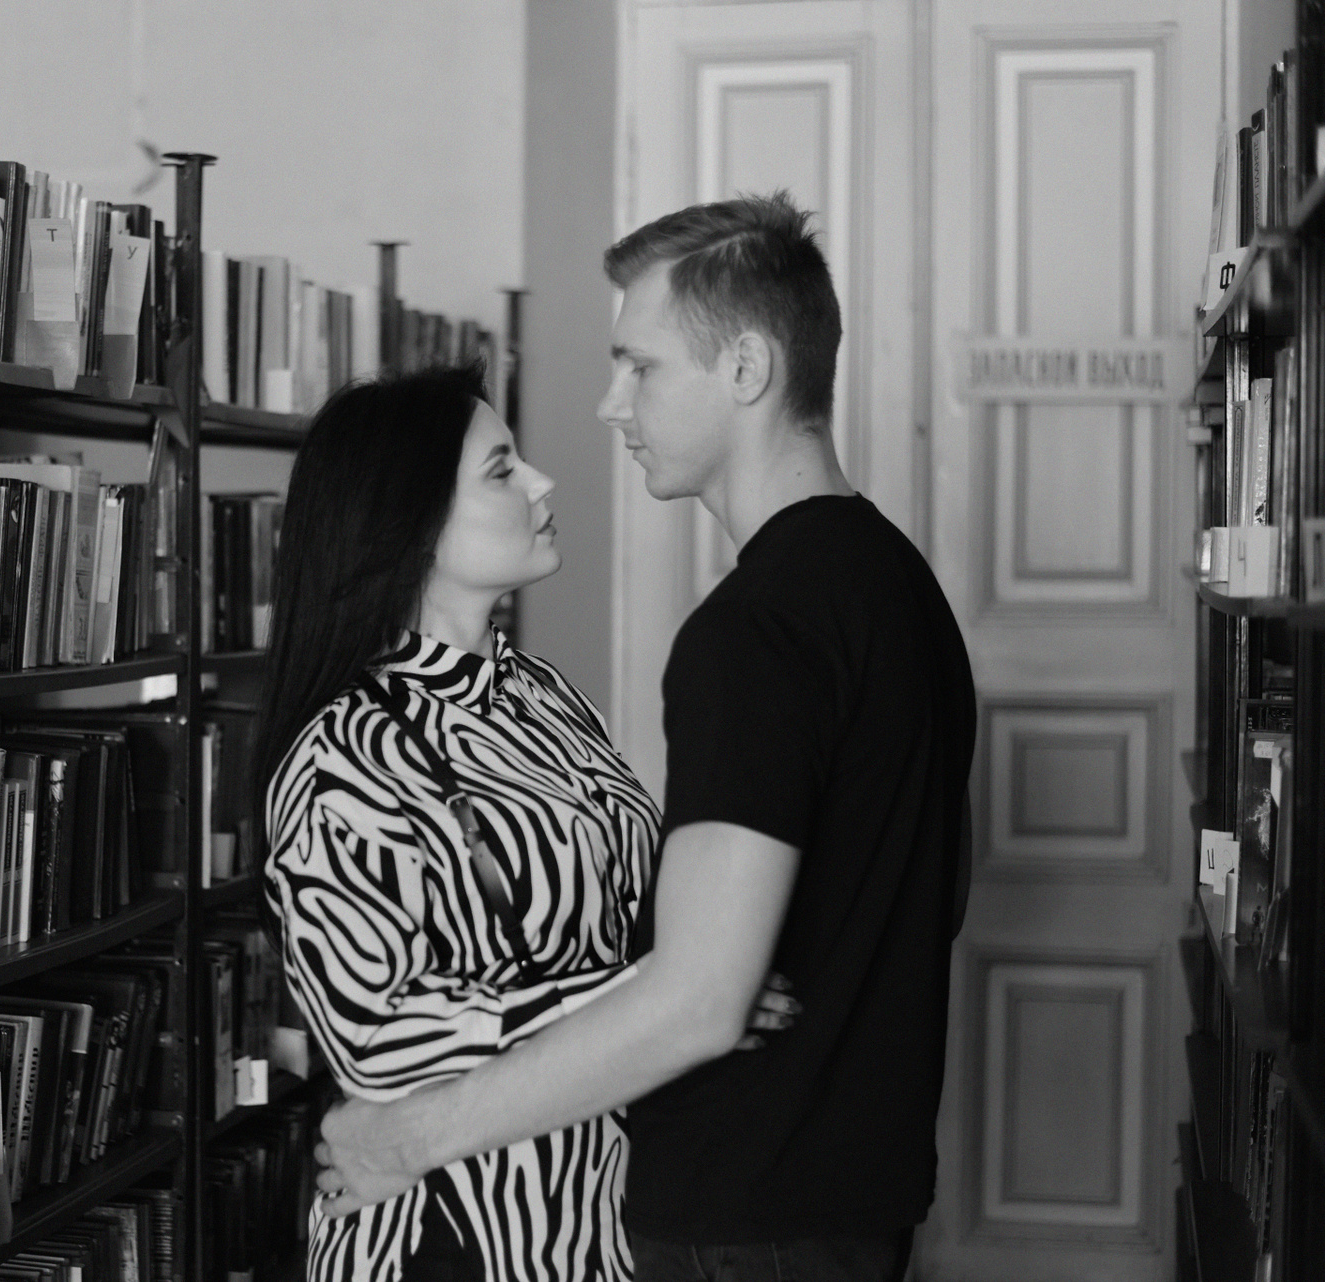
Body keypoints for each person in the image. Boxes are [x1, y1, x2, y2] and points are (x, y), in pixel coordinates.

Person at [312, 193, 977, 1282]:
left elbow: (698, 1002)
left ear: (747, 369)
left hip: (747, 1215)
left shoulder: (754, 631)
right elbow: (931, 897)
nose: (611, 404)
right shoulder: (899, 585)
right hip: (845, 1196)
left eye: (640, 366)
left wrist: (406, 1139)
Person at [257, 365, 794, 1281]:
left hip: (609, 1212)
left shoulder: (542, 694)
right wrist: (666, 995)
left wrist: (698, 973)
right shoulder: (339, 757)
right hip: (448, 1234)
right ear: (410, 521)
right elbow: (374, 1035)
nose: (543, 482)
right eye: (502, 470)